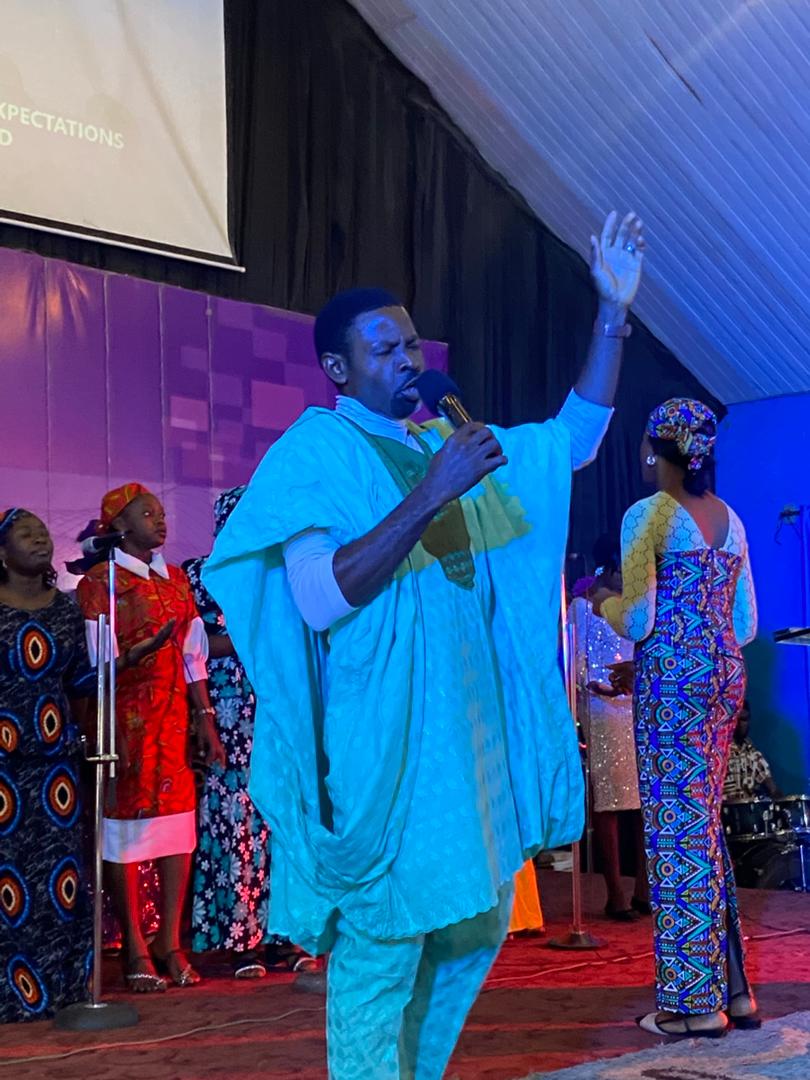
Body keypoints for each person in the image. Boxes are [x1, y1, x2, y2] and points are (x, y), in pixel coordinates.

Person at [203, 210, 645, 1078]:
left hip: (465, 743)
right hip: (386, 745)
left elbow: (574, 439)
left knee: (476, 923)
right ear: (339, 368)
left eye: (411, 343)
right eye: (385, 349)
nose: (408, 359)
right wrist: (433, 493)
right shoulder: (317, 452)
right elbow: (319, 598)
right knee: (383, 946)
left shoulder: (444, 439)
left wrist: (611, 314)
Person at [600, 398, 759, 1038]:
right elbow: (746, 624)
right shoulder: (732, 520)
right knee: (703, 827)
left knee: (676, 835)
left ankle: (695, 1007)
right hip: (723, 676)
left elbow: (638, 620)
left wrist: (604, 600)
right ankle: (736, 992)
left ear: (653, 448)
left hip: (674, 681)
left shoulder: (649, 515)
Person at [77, 484, 225, 993]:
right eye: (147, 513)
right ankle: (136, 946)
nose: (159, 521)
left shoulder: (176, 579)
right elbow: (96, 664)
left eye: (161, 513)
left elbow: (192, 655)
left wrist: (204, 716)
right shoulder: (101, 583)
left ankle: (169, 941)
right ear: (119, 525)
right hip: (125, 720)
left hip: (173, 721)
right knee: (125, 832)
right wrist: (136, 658)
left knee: (177, 830)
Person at [184, 487, 314, 978]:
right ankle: (243, 941)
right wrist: (252, 639)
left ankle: (287, 936)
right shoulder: (199, 575)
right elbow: (192, 645)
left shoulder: (286, 573)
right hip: (227, 713)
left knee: (286, 823)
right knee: (235, 823)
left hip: (282, 711)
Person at [0, 509, 96, 1022]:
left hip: (56, 765)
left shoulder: (65, 610)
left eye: (43, 532)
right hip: (4, 766)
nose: (40, 539)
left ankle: (61, 987)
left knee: (61, 877)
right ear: (2, 553)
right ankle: (12, 993)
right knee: (7, 878)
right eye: (26, 533)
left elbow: (80, 683)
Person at [570, 537, 648, 921]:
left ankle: (645, 889)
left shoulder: (637, 608)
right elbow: (576, 660)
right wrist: (601, 684)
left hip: (636, 703)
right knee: (609, 801)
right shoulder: (582, 607)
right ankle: (615, 893)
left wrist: (634, 682)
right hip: (601, 707)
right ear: (608, 567)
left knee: (644, 801)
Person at [723, 700, 782, 802]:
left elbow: (771, 788)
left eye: (744, 720)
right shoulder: (719, 752)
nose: (740, 724)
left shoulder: (752, 753)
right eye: (737, 720)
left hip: (749, 809)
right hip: (725, 809)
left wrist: (784, 803)